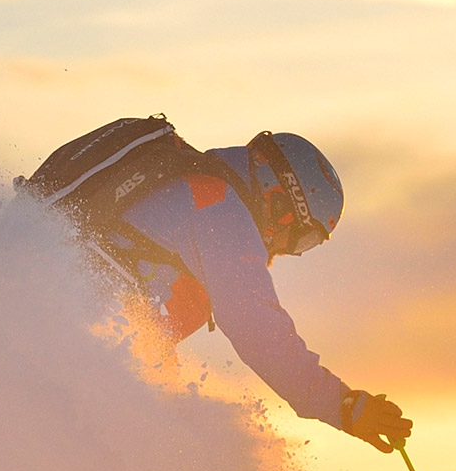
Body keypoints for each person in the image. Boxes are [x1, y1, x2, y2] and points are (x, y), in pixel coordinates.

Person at [38, 123, 412, 453]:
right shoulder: (222, 209)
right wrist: (343, 405)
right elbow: (258, 329)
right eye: (300, 240)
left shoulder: (193, 181)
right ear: (282, 202)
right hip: (64, 317)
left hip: (58, 294)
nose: (285, 252)